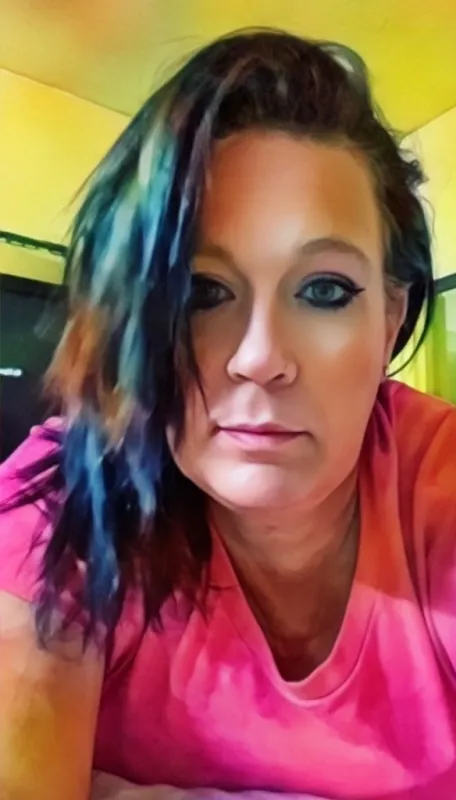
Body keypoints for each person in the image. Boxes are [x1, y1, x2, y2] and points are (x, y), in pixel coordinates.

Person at [0, 28, 455, 800]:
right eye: (202, 292)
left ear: (389, 321)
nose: (259, 356)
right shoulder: (66, 497)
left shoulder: (439, 484)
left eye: (324, 290)